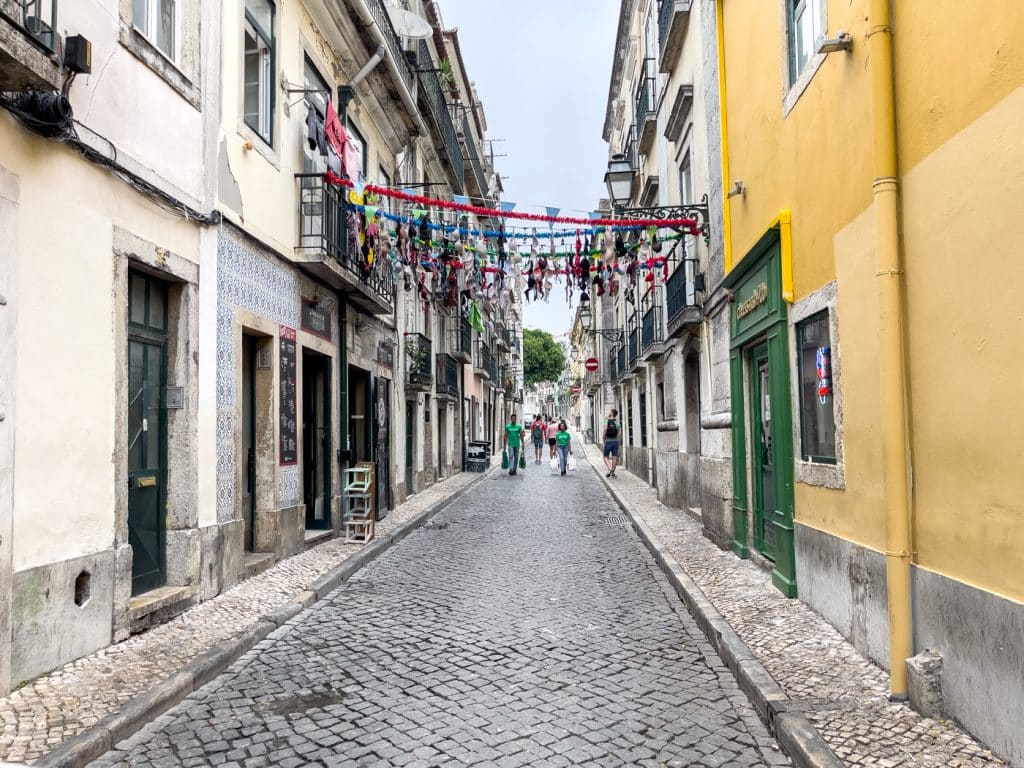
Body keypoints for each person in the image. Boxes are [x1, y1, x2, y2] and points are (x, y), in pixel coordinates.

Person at [602, 409, 621, 478]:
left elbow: (605, 430)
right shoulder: (618, 424)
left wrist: (603, 439)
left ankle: (610, 469)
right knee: (614, 457)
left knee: (605, 457)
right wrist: (619, 443)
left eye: (609, 412)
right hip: (615, 442)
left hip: (608, 442)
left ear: (611, 413)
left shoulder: (606, 422)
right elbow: (619, 435)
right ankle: (613, 472)